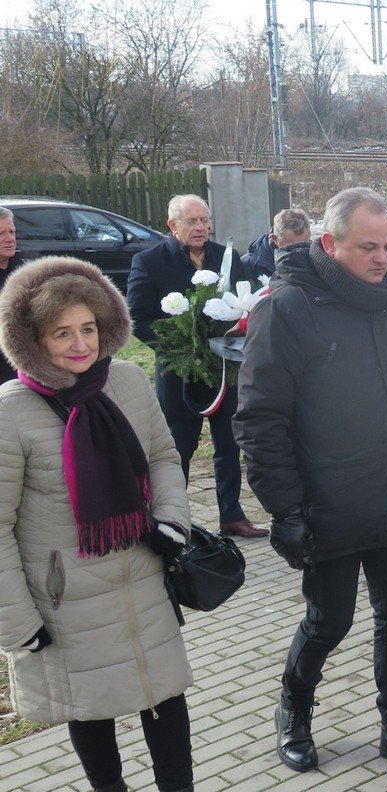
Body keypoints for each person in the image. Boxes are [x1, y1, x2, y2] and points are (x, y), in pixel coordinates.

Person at [234, 187, 387, 774]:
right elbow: (259, 420)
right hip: (325, 500)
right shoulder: (285, 308)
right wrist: (284, 509)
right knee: (329, 619)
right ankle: (294, 713)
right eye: (368, 247)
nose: (383, 258)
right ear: (329, 244)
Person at [0, 257, 195, 792]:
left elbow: (163, 456)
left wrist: (172, 519)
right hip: (67, 603)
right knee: (91, 714)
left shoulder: (127, 382)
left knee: (167, 703)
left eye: (88, 328)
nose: (80, 344)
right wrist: (16, 623)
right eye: (62, 332)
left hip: (141, 582)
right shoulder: (11, 412)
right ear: (32, 340)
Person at [126, 194, 267, 539]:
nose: (201, 227)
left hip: (223, 369)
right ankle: (173, 520)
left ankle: (231, 516)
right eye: (192, 221)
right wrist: (177, 348)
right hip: (179, 372)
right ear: (172, 225)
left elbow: (246, 305)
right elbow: (138, 316)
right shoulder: (149, 261)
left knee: (229, 444)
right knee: (179, 447)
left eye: (205, 220)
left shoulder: (227, 257)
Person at [241, 208, 312, 280]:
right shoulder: (249, 265)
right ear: (274, 239)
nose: (300, 251)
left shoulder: (317, 259)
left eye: (305, 245)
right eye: (292, 247)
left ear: (309, 235)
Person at [0, 207, 25, 382]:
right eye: (0, 233)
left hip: (25, 371)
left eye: (12, 231)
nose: (9, 239)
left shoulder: (26, 273)